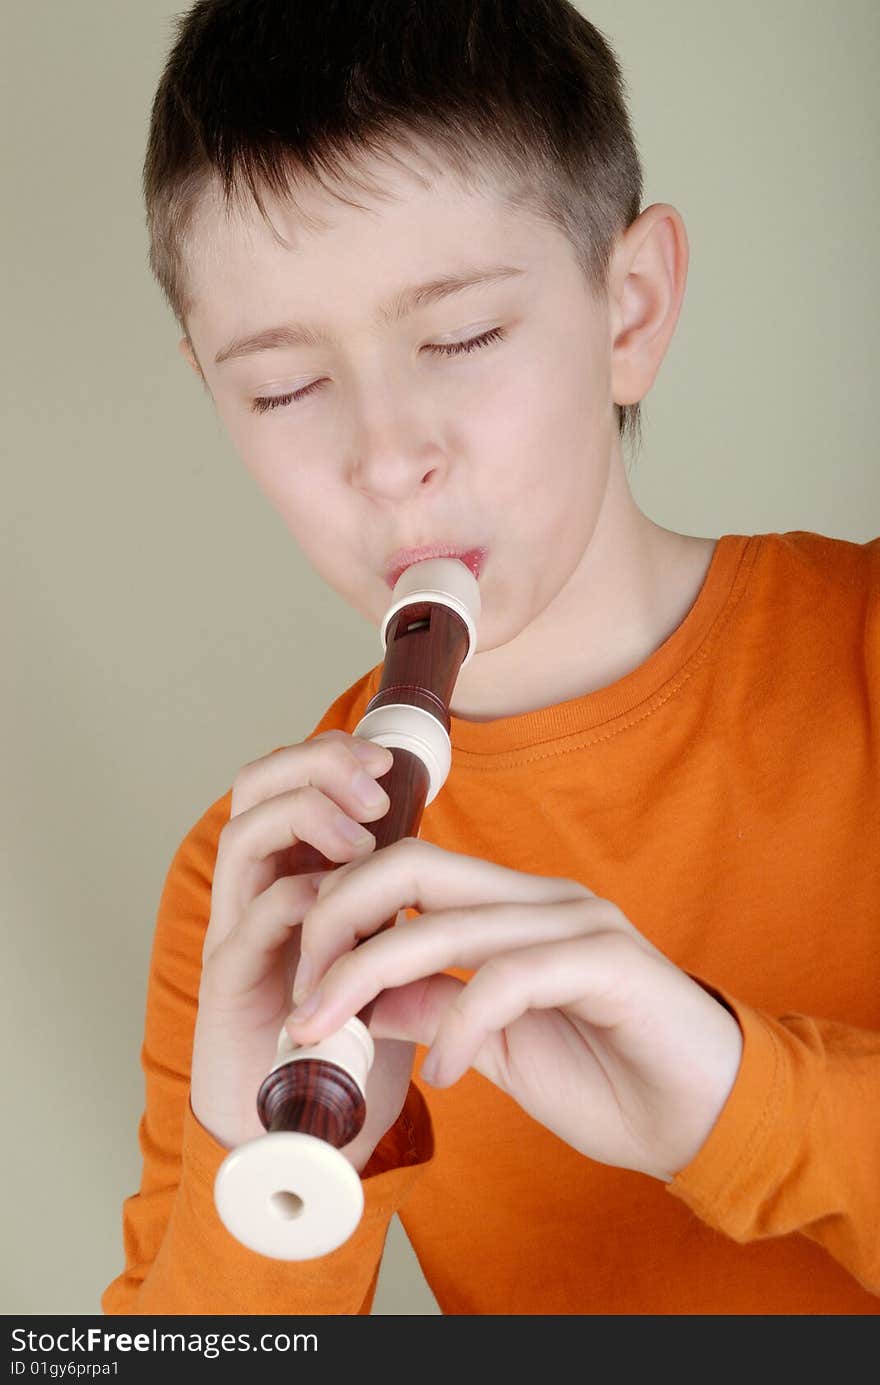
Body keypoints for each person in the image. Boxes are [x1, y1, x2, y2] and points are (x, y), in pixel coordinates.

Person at [102, 0, 879, 1315]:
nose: (387, 454)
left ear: (628, 311)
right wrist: (267, 1166)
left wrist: (742, 1102)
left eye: (458, 338)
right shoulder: (247, 885)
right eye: (284, 386)